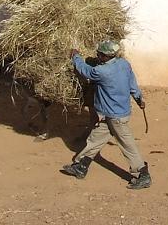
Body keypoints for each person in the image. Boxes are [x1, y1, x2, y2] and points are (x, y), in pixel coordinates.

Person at [62, 40, 152, 190]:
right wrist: (139, 98)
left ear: (106, 56)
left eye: (99, 54)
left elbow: (85, 71)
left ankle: (143, 174)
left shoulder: (101, 71)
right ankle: (81, 166)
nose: (97, 56)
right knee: (95, 139)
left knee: (127, 144)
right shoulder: (124, 64)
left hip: (115, 117)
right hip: (111, 114)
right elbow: (132, 83)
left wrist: (75, 57)